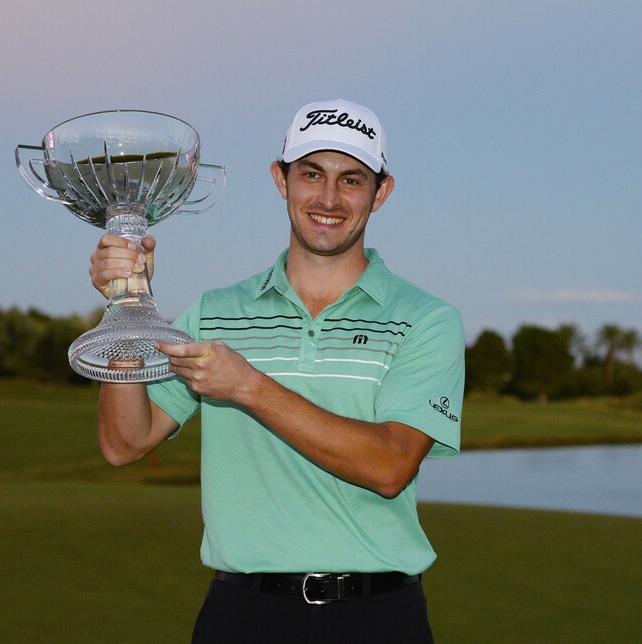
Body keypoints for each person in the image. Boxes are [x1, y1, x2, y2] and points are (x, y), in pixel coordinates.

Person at [90, 99, 465, 643]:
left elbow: (390, 465)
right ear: (280, 180)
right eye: (310, 175)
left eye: (351, 180)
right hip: (243, 614)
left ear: (380, 192)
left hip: (377, 617)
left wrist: (247, 387)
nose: (329, 199)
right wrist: (127, 305)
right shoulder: (214, 313)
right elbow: (125, 442)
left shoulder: (425, 319)